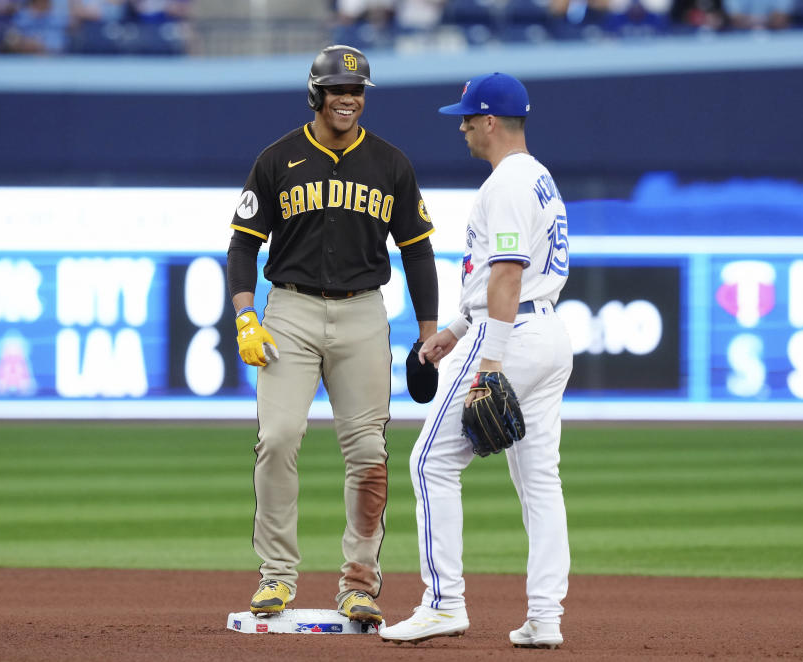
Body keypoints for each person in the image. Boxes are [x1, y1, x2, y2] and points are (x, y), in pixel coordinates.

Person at [226, 44, 439, 625]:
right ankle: (275, 576)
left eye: (357, 90)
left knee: (369, 452)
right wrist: (247, 314)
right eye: (338, 90)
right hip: (289, 311)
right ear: (315, 94)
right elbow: (244, 244)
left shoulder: (390, 164)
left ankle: (360, 584)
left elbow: (418, 252)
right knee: (278, 437)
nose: (349, 99)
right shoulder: (278, 159)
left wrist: (427, 334)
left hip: (363, 312)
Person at [379, 72, 573, 648]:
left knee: (428, 464)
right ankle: (545, 617)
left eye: (467, 117)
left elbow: (509, 274)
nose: (460, 126)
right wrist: (459, 330)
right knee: (541, 483)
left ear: (490, 120)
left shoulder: (507, 181)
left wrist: (488, 358)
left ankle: (443, 603)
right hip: (544, 332)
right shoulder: (538, 177)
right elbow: (511, 277)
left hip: (510, 337)